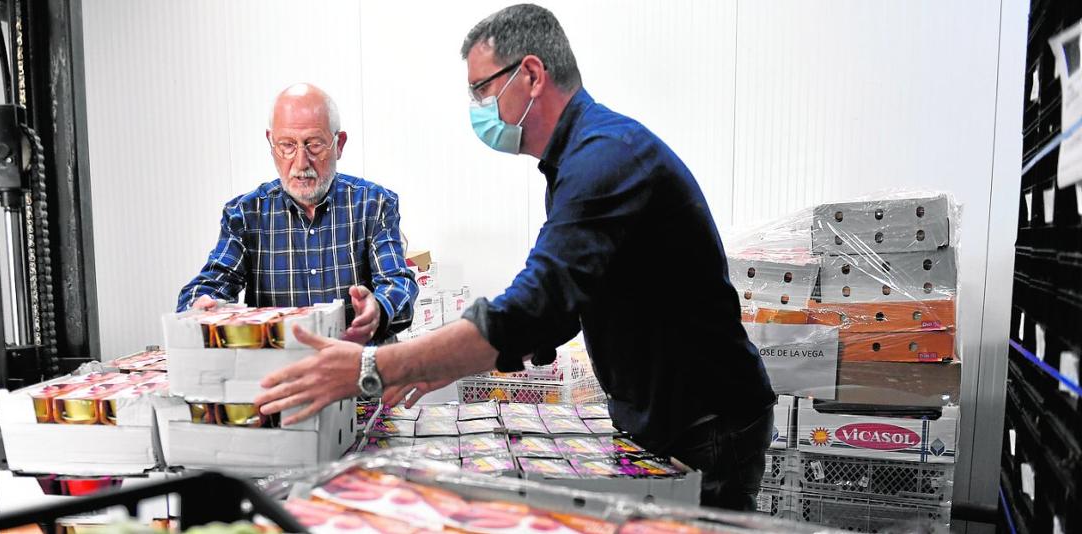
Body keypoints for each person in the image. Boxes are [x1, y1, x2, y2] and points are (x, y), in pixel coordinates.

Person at [254, 5, 775, 511]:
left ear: (530, 74)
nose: (477, 107)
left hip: (707, 425)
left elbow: (536, 304)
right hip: (669, 414)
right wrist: (454, 359)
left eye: (481, 89)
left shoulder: (606, 159)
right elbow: (563, 308)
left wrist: (374, 366)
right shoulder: (578, 159)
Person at [177, 83, 418, 344]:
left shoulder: (374, 204)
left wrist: (378, 310)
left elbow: (398, 281)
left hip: (357, 369)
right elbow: (211, 284)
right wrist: (201, 305)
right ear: (271, 144)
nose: (301, 163)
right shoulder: (245, 215)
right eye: (287, 145)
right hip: (282, 376)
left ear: (339, 144)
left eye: (314, 145)